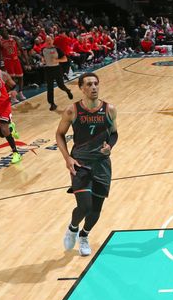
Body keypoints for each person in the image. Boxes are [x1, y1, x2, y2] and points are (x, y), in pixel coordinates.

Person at [55, 73, 118, 257]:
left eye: (96, 84)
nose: (94, 87)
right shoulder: (72, 111)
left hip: (102, 163)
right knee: (85, 206)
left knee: (96, 209)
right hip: (80, 163)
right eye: (89, 84)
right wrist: (67, 158)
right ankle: (73, 228)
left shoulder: (110, 109)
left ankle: (84, 235)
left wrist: (110, 146)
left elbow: (114, 133)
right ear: (81, 88)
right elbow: (59, 134)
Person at [41, 36, 74, 111]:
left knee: (61, 85)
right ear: (45, 41)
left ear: (52, 41)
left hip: (57, 69)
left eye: (50, 40)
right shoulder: (43, 49)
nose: (48, 41)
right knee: (49, 87)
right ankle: (52, 104)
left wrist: (57, 60)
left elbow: (65, 59)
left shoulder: (57, 49)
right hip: (48, 69)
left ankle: (67, 91)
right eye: (47, 40)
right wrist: (43, 60)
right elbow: (43, 57)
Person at [0, 29, 27, 103]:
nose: (3, 33)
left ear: (7, 32)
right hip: (8, 60)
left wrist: (25, 58)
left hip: (16, 59)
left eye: (4, 31)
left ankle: (20, 93)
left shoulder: (14, 38)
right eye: (1, 32)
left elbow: (20, 48)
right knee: (11, 79)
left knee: (21, 76)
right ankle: (13, 97)